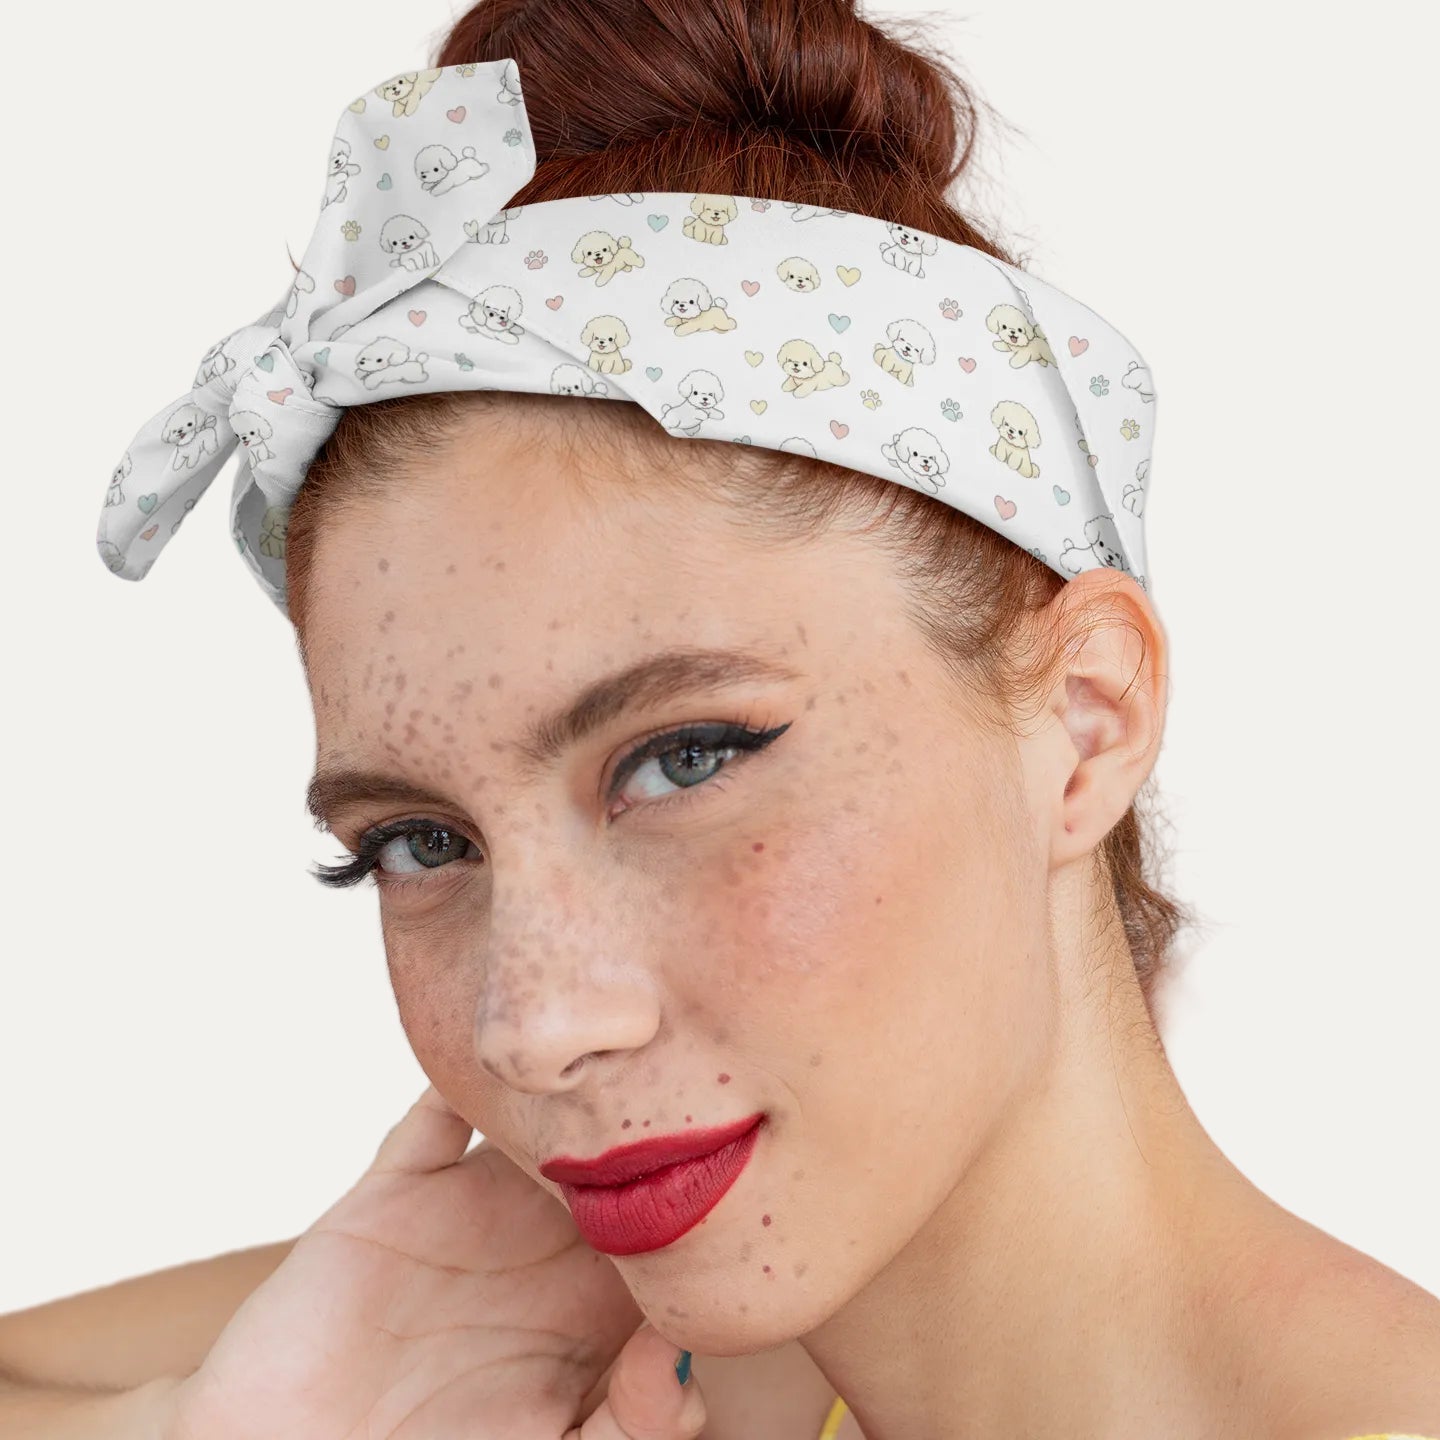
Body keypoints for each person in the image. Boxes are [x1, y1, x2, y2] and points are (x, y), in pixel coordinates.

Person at [4, 2, 1440, 1438]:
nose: (536, 1029)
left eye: (684, 760)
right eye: (420, 844)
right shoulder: (554, 1356)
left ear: (1085, 719)